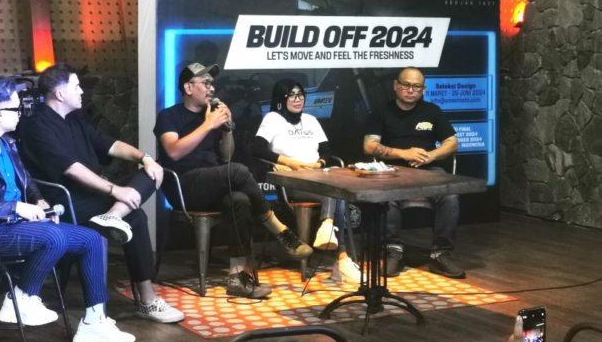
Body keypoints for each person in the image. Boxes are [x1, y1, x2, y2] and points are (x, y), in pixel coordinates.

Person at [0, 77, 135, 342]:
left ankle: (95, 322)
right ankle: (21, 297)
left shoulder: (8, 144)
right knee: (53, 237)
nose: (21, 114)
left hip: (14, 226)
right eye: (16, 109)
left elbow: (27, 182)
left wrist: (39, 201)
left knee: (93, 239)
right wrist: (17, 207)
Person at [18, 63, 184, 324]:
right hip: (66, 201)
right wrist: (115, 189)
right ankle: (147, 300)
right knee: (136, 217)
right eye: (76, 87)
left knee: (151, 173)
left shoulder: (75, 120)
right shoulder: (37, 125)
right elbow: (71, 169)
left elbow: (110, 145)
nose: (82, 91)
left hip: (94, 197)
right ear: (60, 94)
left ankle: (114, 215)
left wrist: (145, 158)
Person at [154, 62, 313, 299]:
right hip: (184, 186)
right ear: (188, 88)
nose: (211, 88)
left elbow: (226, 155)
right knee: (238, 171)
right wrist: (209, 125)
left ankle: (237, 278)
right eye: (205, 83)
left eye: (212, 83)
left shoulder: (213, 115)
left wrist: (227, 129)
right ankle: (278, 228)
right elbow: (174, 151)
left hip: (213, 183)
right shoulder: (169, 116)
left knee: (240, 200)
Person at [252, 78, 360, 283]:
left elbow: (326, 150)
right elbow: (256, 148)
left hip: (317, 176)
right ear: (281, 99)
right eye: (291, 95)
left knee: (336, 189)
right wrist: (288, 162)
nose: (297, 99)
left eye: (300, 95)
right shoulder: (273, 119)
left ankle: (329, 230)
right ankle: (341, 258)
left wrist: (319, 164)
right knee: (335, 192)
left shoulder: (310, 119)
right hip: (292, 183)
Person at [362, 67, 461, 278]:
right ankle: (393, 250)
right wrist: (403, 153)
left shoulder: (432, 111)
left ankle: (441, 254)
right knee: (387, 197)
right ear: (395, 85)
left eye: (416, 86)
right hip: (393, 171)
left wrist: (431, 155)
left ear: (423, 89)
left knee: (450, 195)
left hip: (428, 171)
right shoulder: (382, 111)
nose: (410, 90)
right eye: (406, 85)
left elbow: (452, 143)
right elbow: (369, 146)